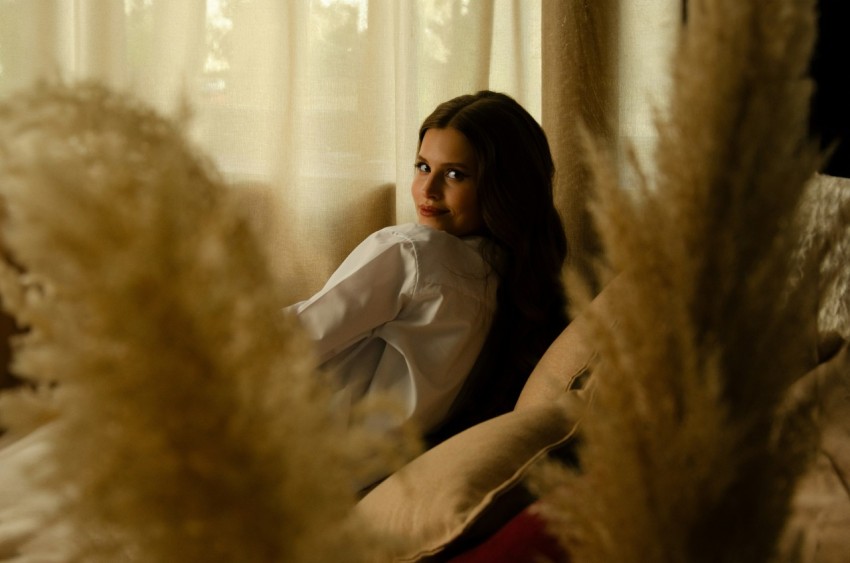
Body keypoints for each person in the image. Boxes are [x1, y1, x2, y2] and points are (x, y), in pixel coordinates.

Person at [287, 90, 568, 447]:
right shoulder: (510, 288)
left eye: (455, 174)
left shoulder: (413, 253)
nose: (428, 190)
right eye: (423, 167)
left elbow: (288, 340)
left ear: (504, 188)